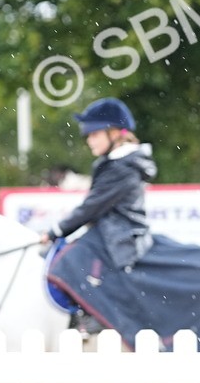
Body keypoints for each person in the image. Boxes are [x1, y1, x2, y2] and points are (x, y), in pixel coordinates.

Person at [41, 98, 156, 272]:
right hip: (110, 235)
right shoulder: (117, 164)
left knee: (66, 265)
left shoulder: (122, 167)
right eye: (88, 136)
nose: (89, 141)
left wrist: (54, 232)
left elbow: (90, 207)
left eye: (94, 134)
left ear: (115, 133)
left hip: (120, 240)